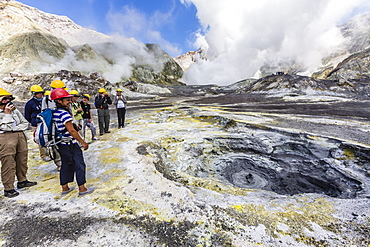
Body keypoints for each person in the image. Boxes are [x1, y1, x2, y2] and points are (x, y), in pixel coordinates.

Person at [50, 88, 95, 196]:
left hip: (61, 144)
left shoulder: (55, 112)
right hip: (70, 144)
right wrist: (83, 142)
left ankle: (65, 188)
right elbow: (71, 130)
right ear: (59, 101)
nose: (69, 101)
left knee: (65, 165)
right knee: (79, 164)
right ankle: (82, 189)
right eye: (66, 100)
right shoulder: (64, 114)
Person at [0, 88, 37, 198]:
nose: (7, 101)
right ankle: (8, 188)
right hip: (4, 138)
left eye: (8, 99)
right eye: (4, 99)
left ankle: (22, 180)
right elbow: (4, 127)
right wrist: (7, 114)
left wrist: (13, 128)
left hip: (19, 135)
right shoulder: (6, 112)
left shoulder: (14, 110)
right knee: (8, 161)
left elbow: (25, 123)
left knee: (22, 158)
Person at [41, 79, 65, 170]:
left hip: (63, 123)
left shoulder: (65, 96)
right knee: (54, 144)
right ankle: (59, 163)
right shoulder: (46, 99)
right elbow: (43, 112)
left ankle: (68, 162)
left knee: (66, 141)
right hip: (52, 124)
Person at [24, 85, 50, 162]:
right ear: (34, 94)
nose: (40, 95)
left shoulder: (45, 101)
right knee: (40, 139)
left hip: (46, 122)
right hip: (36, 124)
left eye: (41, 93)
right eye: (38, 93)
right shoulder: (30, 103)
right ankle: (44, 155)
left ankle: (51, 153)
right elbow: (27, 115)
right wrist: (33, 122)